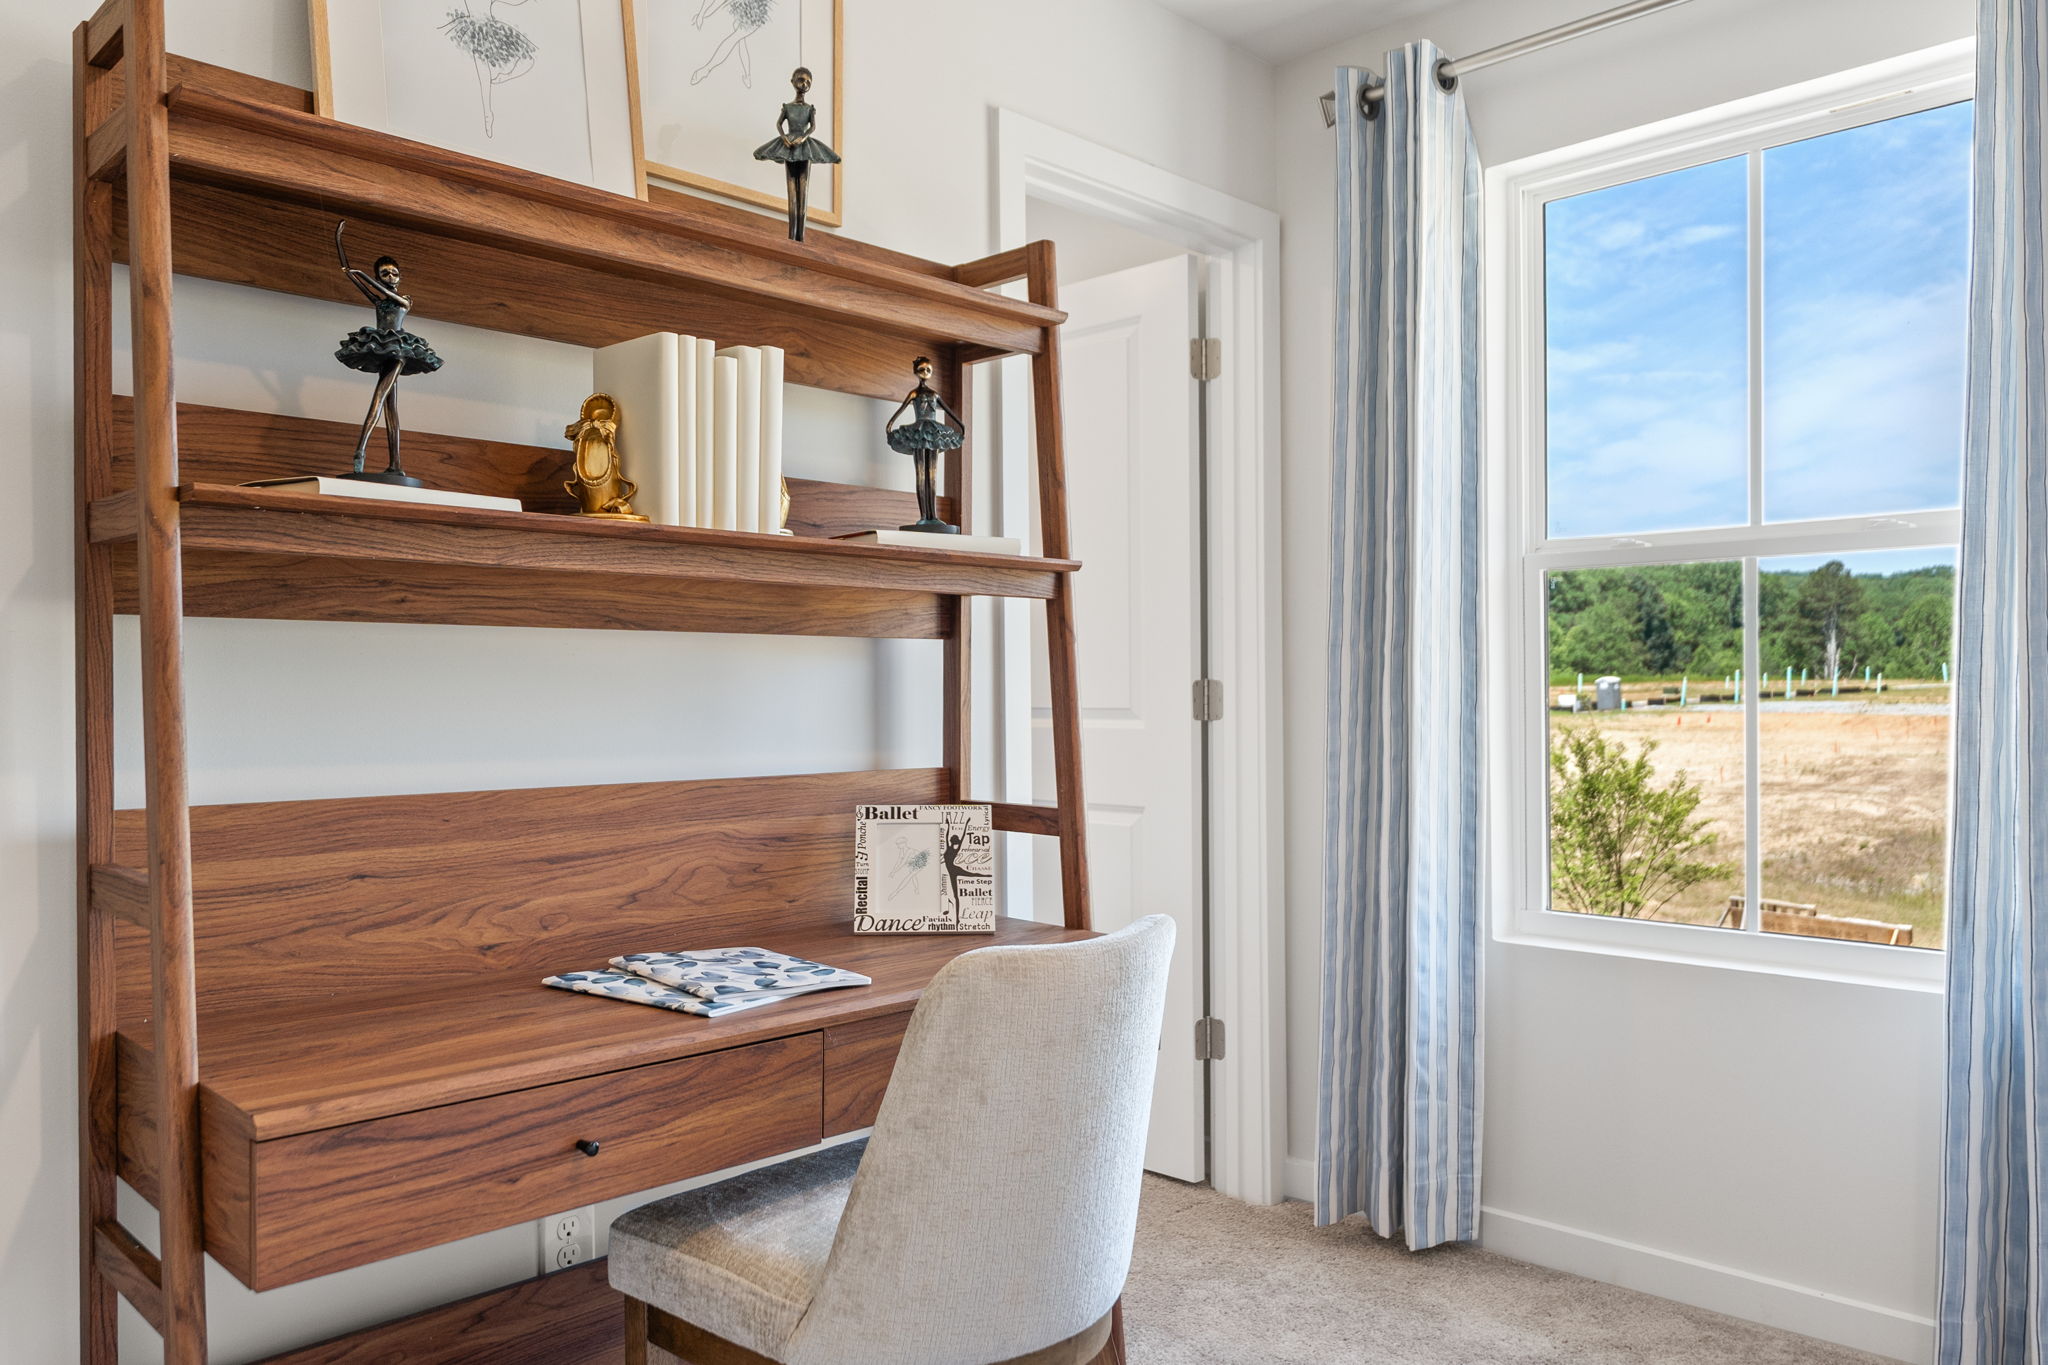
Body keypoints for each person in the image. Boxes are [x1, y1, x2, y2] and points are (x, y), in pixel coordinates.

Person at [333, 222, 442, 486]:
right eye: (385, 273)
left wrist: (361, 273)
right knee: (391, 407)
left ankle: (360, 450)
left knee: (379, 397)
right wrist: (348, 266)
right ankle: (395, 464)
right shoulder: (380, 300)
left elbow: (380, 293)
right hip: (383, 348)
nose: (390, 277)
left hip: (399, 350)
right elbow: (365, 288)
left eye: (394, 273)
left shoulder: (404, 299)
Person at [752, 66, 840, 242]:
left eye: (808, 81)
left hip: (803, 144)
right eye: (801, 80)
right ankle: (792, 234)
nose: (804, 84)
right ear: (792, 81)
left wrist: (802, 139)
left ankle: (800, 235)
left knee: (803, 188)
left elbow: (812, 127)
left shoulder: (809, 108)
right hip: (789, 143)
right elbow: (779, 124)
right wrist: (784, 137)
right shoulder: (788, 107)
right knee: (792, 187)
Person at [883, 357, 963, 533]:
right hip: (919, 430)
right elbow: (901, 410)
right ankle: (924, 516)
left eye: (928, 370)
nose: (925, 373)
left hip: (933, 431)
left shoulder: (934, 394)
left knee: (932, 475)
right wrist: (890, 426)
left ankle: (932, 515)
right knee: (921, 474)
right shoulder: (914, 394)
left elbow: (950, 412)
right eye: (921, 369)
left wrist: (961, 426)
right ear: (915, 371)